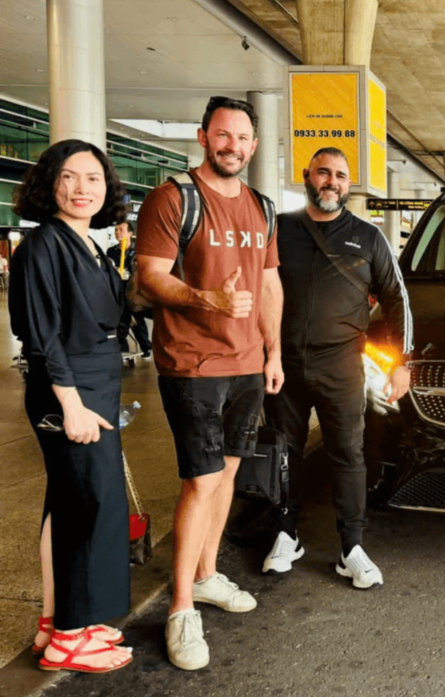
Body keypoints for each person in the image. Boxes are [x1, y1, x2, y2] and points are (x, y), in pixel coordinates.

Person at [135, 96, 284, 671]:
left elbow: (269, 285)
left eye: (243, 138)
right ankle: (178, 608)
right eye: (223, 135)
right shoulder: (174, 198)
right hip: (192, 362)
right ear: (203, 136)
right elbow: (150, 277)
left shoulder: (262, 207)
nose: (233, 146)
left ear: (253, 144)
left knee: (226, 475)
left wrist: (272, 352)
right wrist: (208, 299)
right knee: (200, 481)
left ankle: (206, 575)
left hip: (247, 363)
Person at [8, 139, 134, 673]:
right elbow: (41, 337)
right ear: (49, 184)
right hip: (71, 391)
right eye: (69, 177)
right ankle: (70, 638)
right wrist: (72, 406)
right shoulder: (42, 246)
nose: (82, 188)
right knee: (89, 509)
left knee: (68, 503)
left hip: (95, 385)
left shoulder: (91, 245)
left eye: (93, 179)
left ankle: (57, 619)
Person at [261, 147, 412, 588]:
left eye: (341, 176)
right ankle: (286, 534)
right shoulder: (281, 230)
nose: (332, 181)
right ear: (306, 176)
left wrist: (403, 361)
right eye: (324, 173)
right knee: (283, 454)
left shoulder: (368, 237)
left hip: (342, 364)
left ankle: (352, 547)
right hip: (282, 365)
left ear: (350, 184)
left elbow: (397, 299)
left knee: (348, 454)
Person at [105, 221, 152, 359]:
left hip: (134, 290)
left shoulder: (139, 250)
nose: (118, 232)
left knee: (137, 319)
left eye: (121, 230)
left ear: (130, 233)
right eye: (116, 230)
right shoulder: (111, 251)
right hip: (118, 289)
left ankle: (146, 347)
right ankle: (122, 348)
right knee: (121, 318)